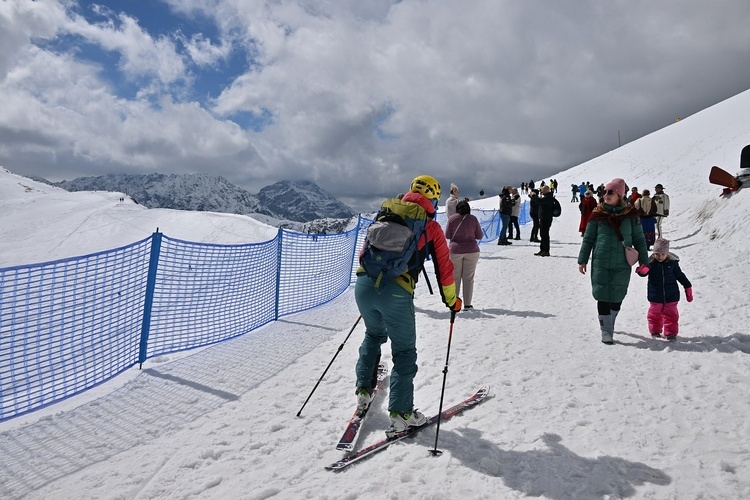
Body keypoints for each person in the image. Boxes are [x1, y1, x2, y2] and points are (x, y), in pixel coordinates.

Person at [354, 175, 462, 438]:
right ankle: (402, 414)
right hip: (396, 292)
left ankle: (363, 392)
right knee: (403, 351)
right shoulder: (430, 226)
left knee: (373, 335)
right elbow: (445, 269)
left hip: (364, 285)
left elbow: (363, 254)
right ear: (433, 199)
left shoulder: (386, 213)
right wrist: (452, 302)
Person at [577, 178, 649, 344]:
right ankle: (606, 331)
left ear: (620, 195)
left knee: (617, 296)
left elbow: (639, 238)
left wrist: (643, 260)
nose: (606, 195)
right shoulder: (598, 214)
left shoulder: (631, 216)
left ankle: (611, 323)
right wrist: (582, 260)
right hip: (601, 260)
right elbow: (588, 239)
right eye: (605, 192)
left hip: (622, 262)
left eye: (610, 192)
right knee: (602, 294)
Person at [635, 238, 693, 341]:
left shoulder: (672, 263)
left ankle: (671, 333)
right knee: (654, 314)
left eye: (662, 254)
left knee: (671, 315)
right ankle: (655, 331)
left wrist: (687, 287)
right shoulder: (651, 263)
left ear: (667, 253)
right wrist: (642, 270)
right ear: (654, 253)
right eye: (657, 254)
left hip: (671, 295)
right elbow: (643, 274)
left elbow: (680, 276)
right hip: (655, 295)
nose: (660, 257)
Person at [446, 200, 483, 311]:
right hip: (472, 250)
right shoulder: (473, 219)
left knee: (455, 278)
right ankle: (467, 304)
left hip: (456, 251)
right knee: (468, 278)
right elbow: (479, 235)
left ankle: (455, 303)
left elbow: (447, 235)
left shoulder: (452, 218)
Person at [534, 185, 559, 256]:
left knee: (545, 234)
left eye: (542, 190)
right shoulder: (547, 197)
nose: (541, 191)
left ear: (546, 190)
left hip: (546, 218)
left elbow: (539, 201)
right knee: (542, 234)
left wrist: (534, 196)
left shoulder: (548, 197)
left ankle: (546, 250)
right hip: (544, 217)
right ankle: (542, 250)